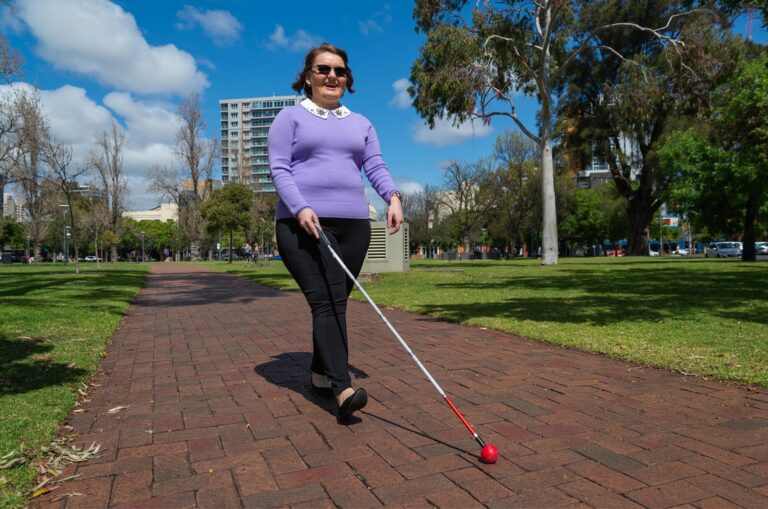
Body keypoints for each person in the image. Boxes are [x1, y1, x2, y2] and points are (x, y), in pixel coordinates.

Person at [268, 42, 403, 421]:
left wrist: (393, 196)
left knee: (335, 300)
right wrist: (300, 207)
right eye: (323, 69)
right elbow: (279, 169)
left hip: (354, 226)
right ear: (308, 77)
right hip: (302, 225)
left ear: (347, 79)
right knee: (326, 302)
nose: (332, 76)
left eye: (339, 71)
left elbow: (374, 165)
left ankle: (318, 375)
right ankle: (342, 389)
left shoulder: (361, 124)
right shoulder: (289, 118)